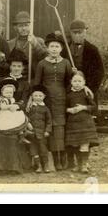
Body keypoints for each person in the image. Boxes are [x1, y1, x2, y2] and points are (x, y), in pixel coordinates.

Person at [34, 32, 74, 171]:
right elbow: (37, 84)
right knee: (48, 126)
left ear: (61, 48)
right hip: (47, 100)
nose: (54, 49)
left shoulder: (66, 63)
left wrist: (75, 74)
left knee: (59, 128)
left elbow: (70, 82)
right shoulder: (42, 64)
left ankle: (61, 158)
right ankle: (51, 159)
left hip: (61, 99)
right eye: (52, 46)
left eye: (57, 46)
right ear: (47, 48)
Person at [0, 77, 30, 174]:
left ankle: (14, 168)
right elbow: (1, 107)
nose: (9, 94)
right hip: (1, 120)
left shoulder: (14, 100)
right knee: (0, 144)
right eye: (6, 92)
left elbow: (20, 105)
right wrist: (9, 107)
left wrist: (16, 106)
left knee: (12, 145)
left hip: (12, 122)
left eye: (11, 92)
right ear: (2, 92)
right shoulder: (1, 100)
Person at [65, 72, 99, 173]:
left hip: (85, 124)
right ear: (71, 82)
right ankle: (78, 165)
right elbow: (64, 107)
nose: (77, 83)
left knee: (84, 144)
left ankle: (84, 165)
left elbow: (94, 107)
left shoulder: (86, 93)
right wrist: (69, 110)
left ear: (84, 82)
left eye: (79, 81)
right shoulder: (69, 95)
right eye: (75, 81)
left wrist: (83, 107)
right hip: (73, 124)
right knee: (75, 145)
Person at [65, 19, 105, 100]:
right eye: (74, 33)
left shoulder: (92, 50)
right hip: (69, 92)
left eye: (80, 32)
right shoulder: (65, 49)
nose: (77, 35)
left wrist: (90, 89)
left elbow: (99, 72)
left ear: (85, 33)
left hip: (86, 91)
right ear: (71, 33)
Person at [8, 11, 47, 78]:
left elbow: (46, 59)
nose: (24, 29)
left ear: (31, 26)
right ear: (16, 28)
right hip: (16, 79)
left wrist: (35, 45)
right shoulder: (10, 44)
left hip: (34, 78)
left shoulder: (39, 41)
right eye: (20, 26)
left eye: (26, 25)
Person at [27, 85, 52, 173]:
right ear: (32, 97)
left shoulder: (45, 108)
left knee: (43, 149)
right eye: (35, 96)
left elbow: (49, 121)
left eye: (40, 96)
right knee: (33, 150)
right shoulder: (29, 107)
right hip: (31, 133)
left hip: (42, 134)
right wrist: (28, 123)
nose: (38, 98)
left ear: (44, 97)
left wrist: (47, 130)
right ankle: (38, 166)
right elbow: (26, 117)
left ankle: (46, 165)